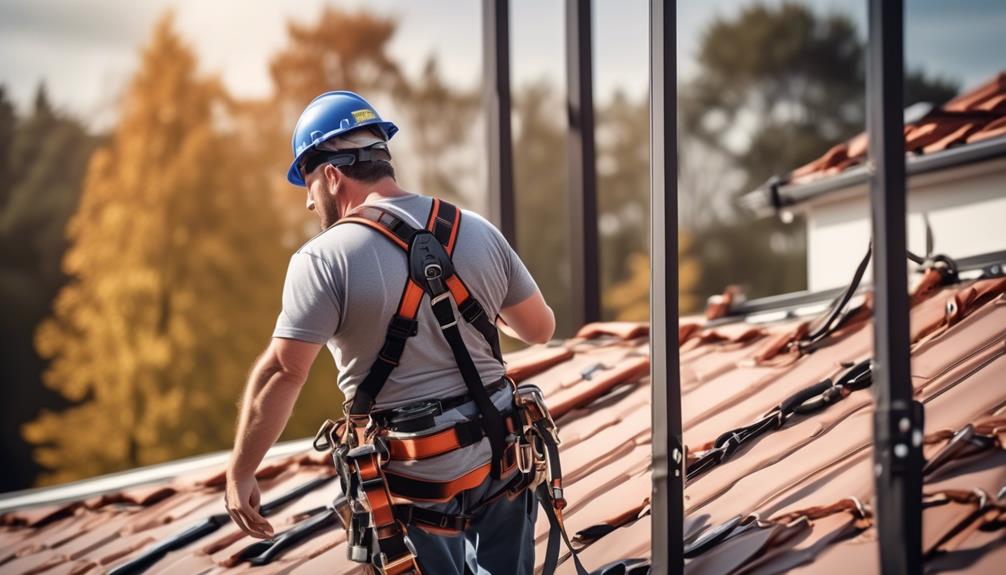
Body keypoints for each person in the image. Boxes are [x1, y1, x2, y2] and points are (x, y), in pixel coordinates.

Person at [224, 91, 555, 574]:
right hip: (502, 458)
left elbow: (282, 372)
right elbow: (540, 328)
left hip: (411, 481)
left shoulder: (322, 259)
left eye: (309, 185)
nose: (308, 201)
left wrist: (240, 471)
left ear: (333, 176)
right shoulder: (477, 229)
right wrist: (479, 305)